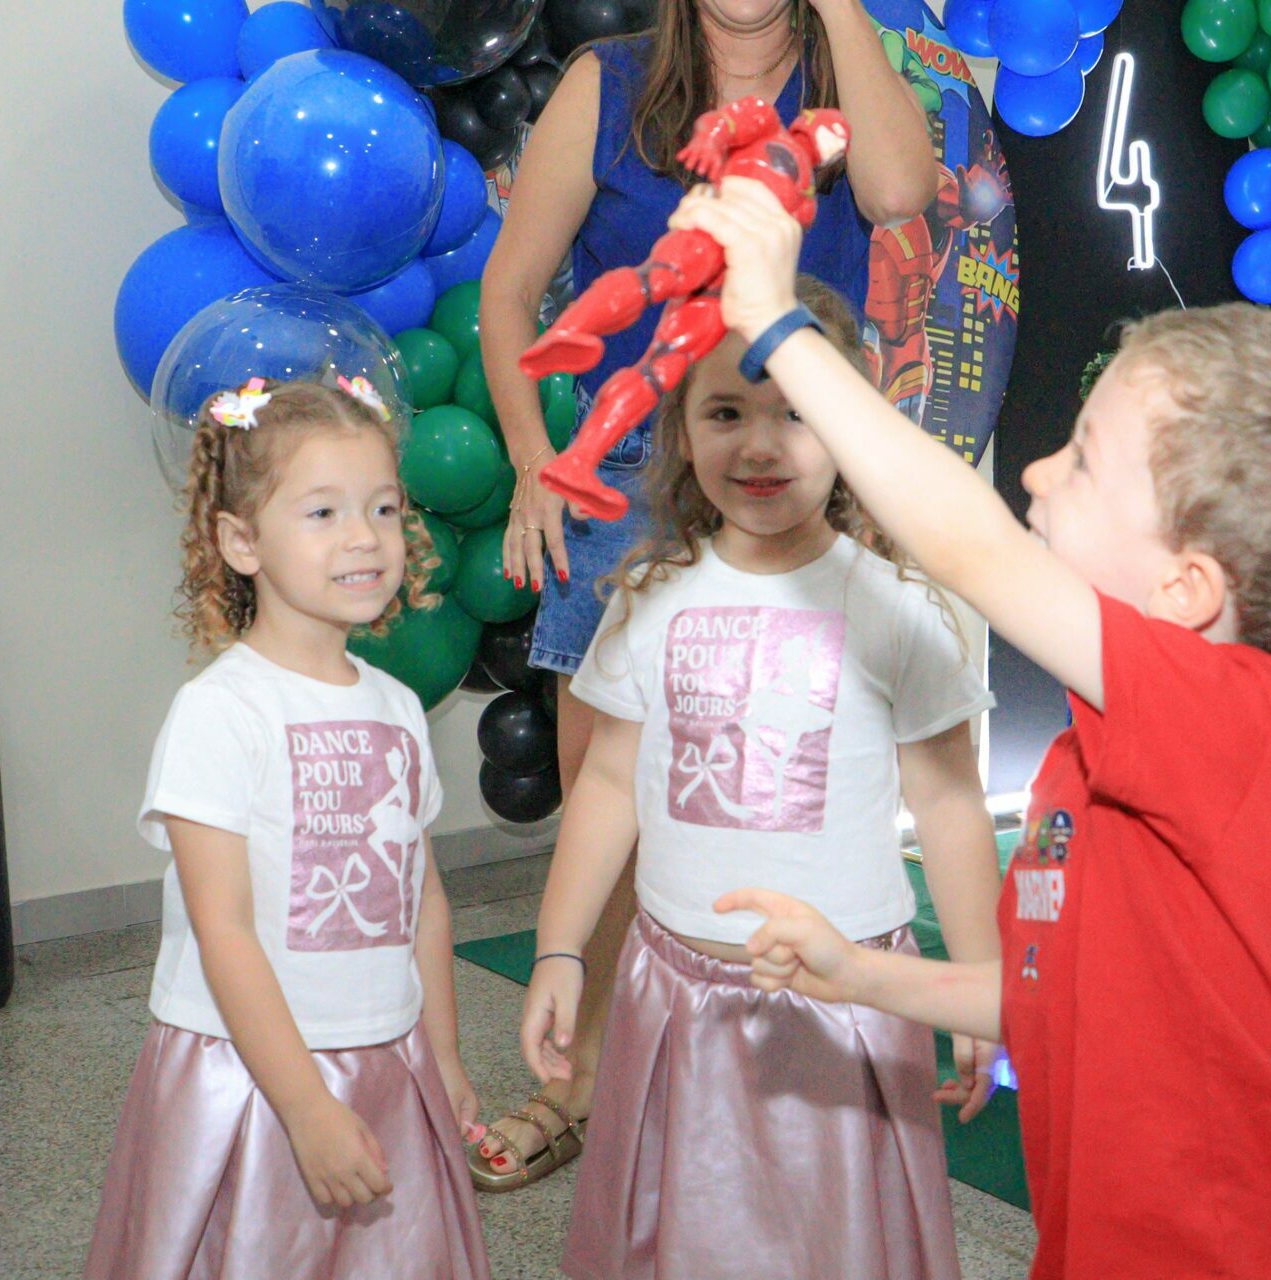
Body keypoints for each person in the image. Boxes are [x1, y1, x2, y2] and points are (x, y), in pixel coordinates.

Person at [684, 178, 1271, 1279]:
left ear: (1187, 588)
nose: (1040, 470)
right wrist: (854, 972)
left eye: (1083, 458)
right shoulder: (1094, 757)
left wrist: (777, 324)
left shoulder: (1229, 718)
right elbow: (1054, 997)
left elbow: (974, 549)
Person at [472, 0, 937, 1188]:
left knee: (791, 791)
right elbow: (509, 290)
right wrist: (534, 460)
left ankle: (773, 1077)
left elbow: (897, 193)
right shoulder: (607, 80)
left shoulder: (845, 74)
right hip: (632, 475)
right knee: (609, 800)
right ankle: (579, 1083)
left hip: (806, 466)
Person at [520, 275, 998, 1278]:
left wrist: (975, 987)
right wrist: (561, 947)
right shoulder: (649, 597)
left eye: (796, 412)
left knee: (836, 1241)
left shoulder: (898, 609)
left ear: (850, 423)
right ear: (682, 431)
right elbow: (607, 784)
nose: (759, 445)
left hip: (841, 1001)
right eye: (727, 412)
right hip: (675, 996)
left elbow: (950, 803)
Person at [84, 379, 488, 1279]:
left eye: (384, 508)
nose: (365, 536)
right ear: (242, 541)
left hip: (387, 1055)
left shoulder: (398, 708)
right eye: (323, 512)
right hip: (255, 1075)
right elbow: (223, 928)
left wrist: (443, 1055)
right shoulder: (222, 711)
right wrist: (304, 1106)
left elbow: (422, 902)